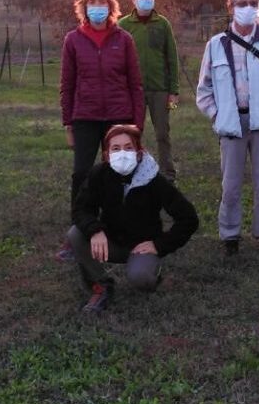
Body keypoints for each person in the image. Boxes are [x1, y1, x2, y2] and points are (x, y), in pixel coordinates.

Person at [196, 0, 259, 255]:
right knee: (231, 185)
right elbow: (204, 90)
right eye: (242, 4)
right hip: (232, 125)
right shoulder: (216, 45)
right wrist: (219, 116)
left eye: (253, 3)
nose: (247, 8)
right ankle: (230, 235)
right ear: (230, 7)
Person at [67, 125, 199, 313]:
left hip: (141, 247)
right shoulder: (98, 174)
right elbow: (80, 209)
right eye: (116, 148)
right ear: (106, 154)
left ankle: (152, 270)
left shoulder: (154, 180)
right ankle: (101, 285)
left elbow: (189, 218)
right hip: (111, 241)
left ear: (138, 152)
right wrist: (95, 230)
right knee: (76, 234)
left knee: (142, 279)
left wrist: (159, 245)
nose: (122, 154)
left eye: (128, 148)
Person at [57, 0, 145, 261]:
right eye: (92, 2)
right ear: (84, 7)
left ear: (110, 6)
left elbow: (135, 84)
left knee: (119, 175)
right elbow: (67, 84)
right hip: (85, 117)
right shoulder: (73, 40)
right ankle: (78, 236)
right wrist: (68, 123)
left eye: (102, 1)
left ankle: (122, 231)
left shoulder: (124, 39)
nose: (98, 6)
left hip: (119, 116)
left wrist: (136, 125)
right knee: (82, 176)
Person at [118, 0, 180, 181]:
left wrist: (174, 91)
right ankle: (131, 170)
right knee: (133, 133)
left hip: (160, 89)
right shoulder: (124, 25)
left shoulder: (162, 24)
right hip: (133, 90)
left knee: (163, 133)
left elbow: (171, 58)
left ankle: (167, 173)